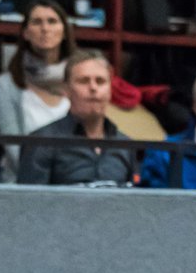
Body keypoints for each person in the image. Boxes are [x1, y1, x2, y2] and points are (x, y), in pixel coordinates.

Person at [18, 50, 135, 186]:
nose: (93, 88)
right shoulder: (41, 142)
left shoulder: (125, 144)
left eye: (100, 81)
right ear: (66, 89)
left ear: (110, 90)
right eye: (83, 81)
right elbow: (28, 203)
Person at [0, 0, 75, 183]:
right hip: (23, 182)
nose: (45, 29)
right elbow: (12, 147)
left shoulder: (79, 79)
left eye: (52, 21)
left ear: (64, 32)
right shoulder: (7, 84)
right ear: (25, 33)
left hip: (73, 180)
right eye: (37, 22)